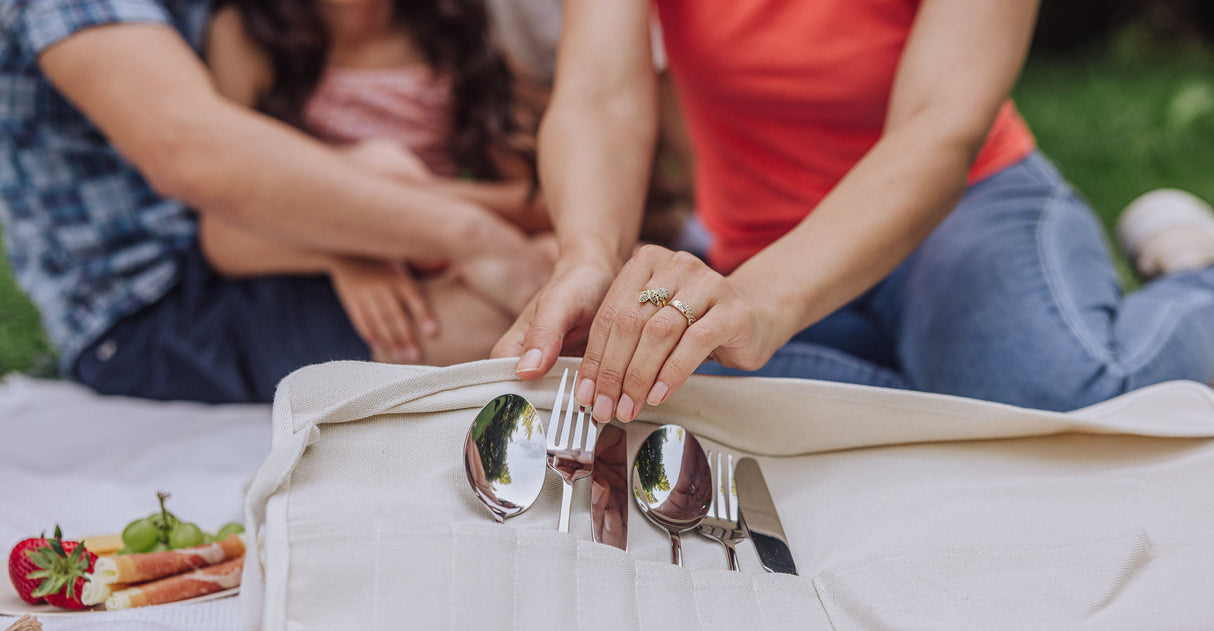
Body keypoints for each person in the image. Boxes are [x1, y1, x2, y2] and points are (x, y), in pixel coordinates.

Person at [493, 0, 1214, 418]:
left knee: (1046, 399)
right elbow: (599, 94)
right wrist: (588, 254)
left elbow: (938, 127)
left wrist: (756, 301)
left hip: (965, 211)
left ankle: (1191, 266)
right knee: (666, 404)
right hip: (761, 241)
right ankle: (950, 393)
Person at [0, 0, 550, 403]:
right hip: (153, 303)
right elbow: (190, 152)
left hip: (272, 239)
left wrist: (365, 236)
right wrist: (464, 234)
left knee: (546, 280)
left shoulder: (440, 31)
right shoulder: (246, 31)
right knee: (524, 316)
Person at [201, 0, 552, 367]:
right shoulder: (248, 33)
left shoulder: (454, 26)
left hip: (464, 245)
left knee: (565, 269)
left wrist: (421, 202)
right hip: (351, 265)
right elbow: (223, 228)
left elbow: (545, 202)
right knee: (383, 164)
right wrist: (347, 251)